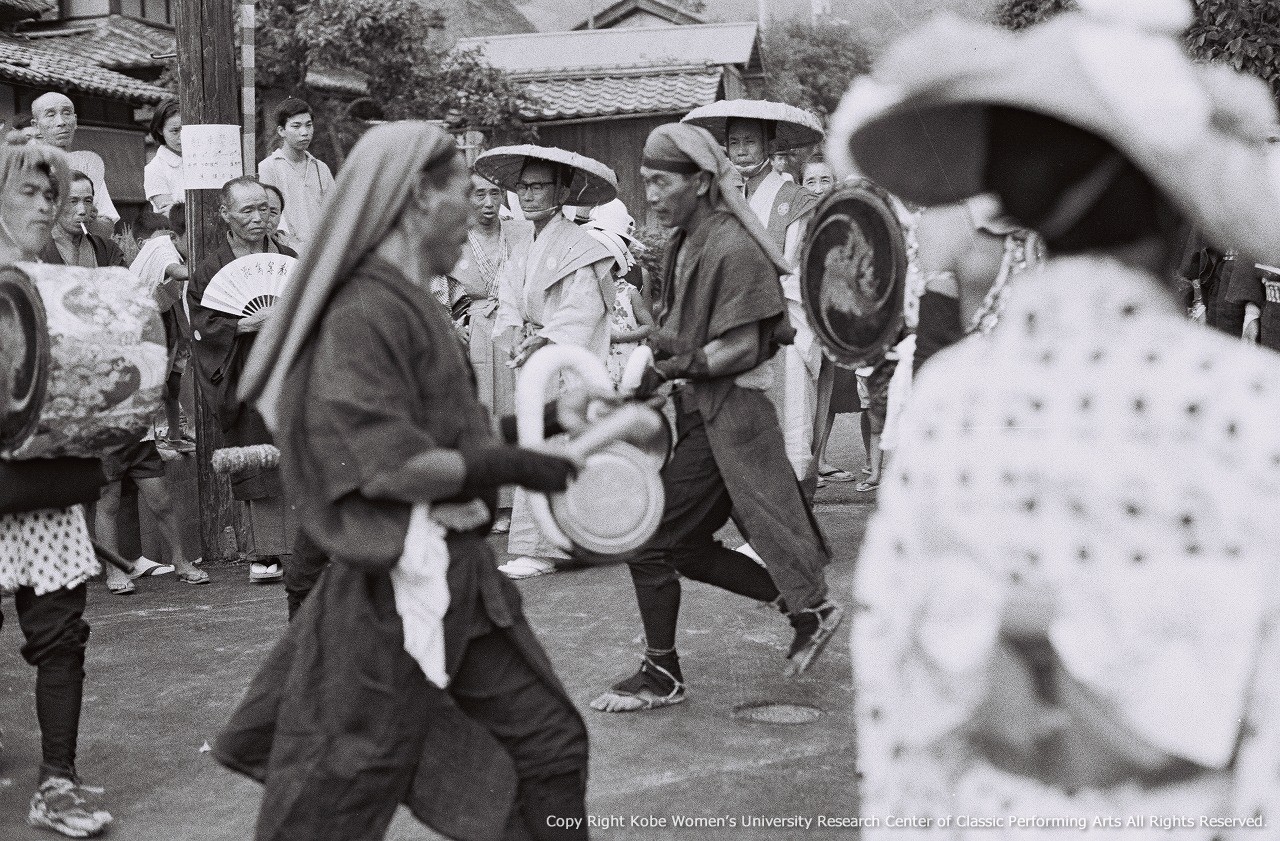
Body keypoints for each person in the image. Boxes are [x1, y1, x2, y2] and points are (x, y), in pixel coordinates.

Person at [832, 2, 1280, 832]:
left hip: (992, 810)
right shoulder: (1247, 402)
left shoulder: (950, 399)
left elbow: (894, 657)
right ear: (1175, 204)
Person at [219, 120, 591, 841]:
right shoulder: (361, 311)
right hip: (391, 586)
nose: (479, 214)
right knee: (337, 791)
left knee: (548, 745)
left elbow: (447, 440)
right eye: (464, 195)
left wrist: (550, 419)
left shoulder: (410, 299)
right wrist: (515, 465)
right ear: (419, 197)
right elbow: (388, 468)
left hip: (459, 580)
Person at [590, 122, 843, 714]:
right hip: (703, 413)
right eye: (646, 182)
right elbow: (684, 332)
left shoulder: (733, 247)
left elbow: (742, 347)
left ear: (701, 182)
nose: (651, 195)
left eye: (662, 182)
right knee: (681, 546)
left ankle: (662, 673)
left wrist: (673, 364)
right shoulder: (687, 241)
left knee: (651, 538)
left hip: (731, 417)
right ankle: (807, 611)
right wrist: (654, 352)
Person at [0, 136, 114, 838]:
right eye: (29, 192)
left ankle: (57, 780)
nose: (45, 205)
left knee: (61, 636)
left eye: (53, 193)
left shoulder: (67, 278)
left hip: (47, 482)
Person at [483, 145, 617, 580]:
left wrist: (544, 338)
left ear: (561, 192)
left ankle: (545, 547)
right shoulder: (523, 242)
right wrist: (515, 334)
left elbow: (583, 309)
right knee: (537, 443)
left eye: (539, 186)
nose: (528, 195)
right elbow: (507, 296)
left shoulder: (582, 246)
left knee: (556, 445)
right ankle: (571, 541)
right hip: (534, 355)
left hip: (563, 361)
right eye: (523, 187)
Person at [683, 102, 825, 492]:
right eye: (734, 142)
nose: (741, 150)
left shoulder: (796, 200)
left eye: (750, 141)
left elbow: (797, 269)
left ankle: (797, 513)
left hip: (783, 323)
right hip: (734, 325)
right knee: (746, 429)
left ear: (770, 145)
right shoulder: (723, 200)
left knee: (791, 423)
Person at [187, 177, 297, 584]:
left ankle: (304, 547)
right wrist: (246, 323)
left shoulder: (288, 258)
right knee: (256, 456)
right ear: (225, 214)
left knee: (298, 450)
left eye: (264, 209)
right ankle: (265, 552)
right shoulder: (209, 270)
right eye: (247, 210)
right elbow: (202, 327)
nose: (258, 217)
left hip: (289, 370)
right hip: (242, 373)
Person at [130, 206, 196, 455]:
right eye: (194, 239)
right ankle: (145, 442)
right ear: (175, 235)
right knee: (156, 387)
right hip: (135, 321)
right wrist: (214, 267)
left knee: (172, 384)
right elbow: (177, 272)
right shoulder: (162, 247)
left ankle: (174, 437)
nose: (198, 247)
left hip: (160, 316)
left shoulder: (176, 248)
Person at [31, 92, 118, 228]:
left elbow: (108, 224)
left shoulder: (86, 168)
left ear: (75, 121)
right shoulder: (24, 169)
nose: (61, 122)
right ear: (36, 126)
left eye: (66, 113)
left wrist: (90, 221)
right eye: (50, 115)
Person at [257, 98, 335, 250]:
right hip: (286, 250)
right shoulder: (269, 167)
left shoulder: (321, 168)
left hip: (321, 249)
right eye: (296, 126)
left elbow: (334, 212)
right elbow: (270, 217)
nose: (304, 132)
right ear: (281, 131)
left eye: (308, 125)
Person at [39, 170, 124, 269]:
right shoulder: (34, 252)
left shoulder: (108, 251)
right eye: (72, 201)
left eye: (88, 201)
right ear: (53, 205)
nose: (82, 211)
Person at [143, 98, 183, 215]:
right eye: (175, 131)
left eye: (185, 130)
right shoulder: (155, 168)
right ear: (160, 130)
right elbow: (169, 213)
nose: (181, 137)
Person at [261, 182, 296, 251]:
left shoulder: (292, 250)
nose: (266, 219)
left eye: (273, 213)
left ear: (280, 216)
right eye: (262, 210)